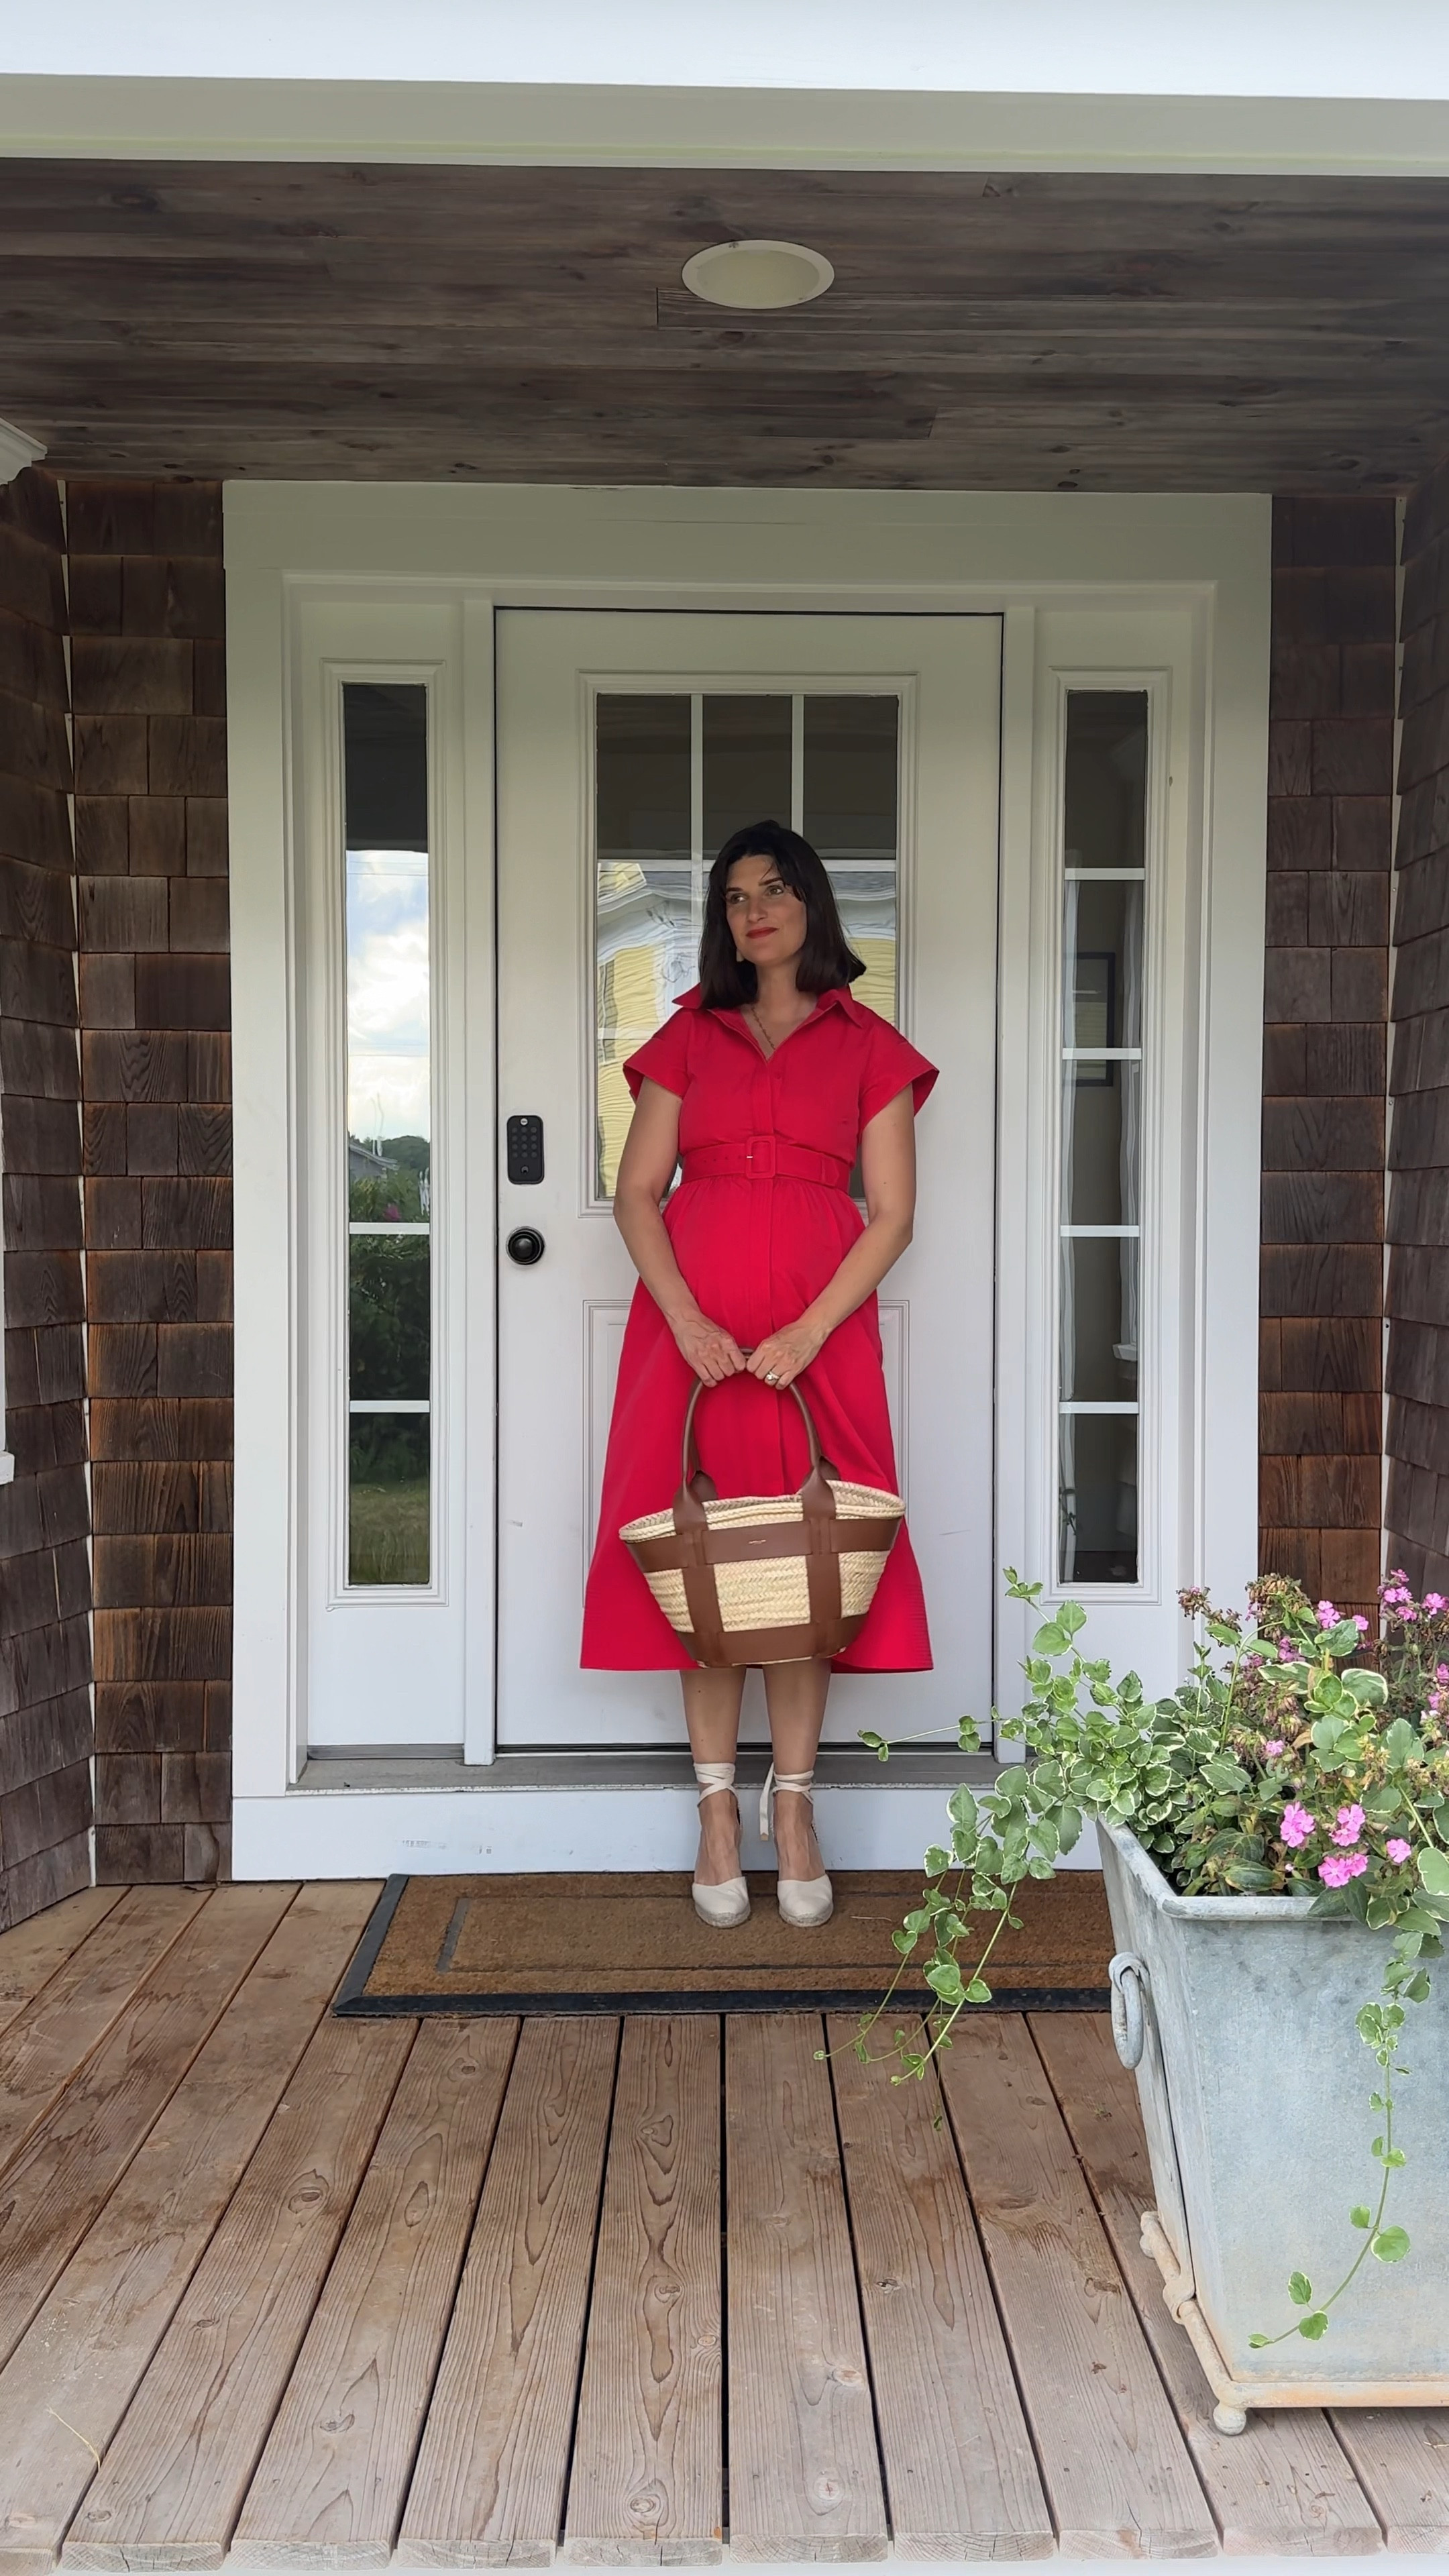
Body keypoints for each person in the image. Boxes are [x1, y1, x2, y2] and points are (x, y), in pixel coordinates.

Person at [581, 819, 936, 1929]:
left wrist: (806, 1334)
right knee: (704, 1569)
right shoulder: (687, 1039)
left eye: (774, 889)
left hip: (815, 1342)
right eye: (735, 897)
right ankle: (716, 1814)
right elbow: (640, 1192)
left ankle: (794, 1812)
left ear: (813, 904)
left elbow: (893, 1219)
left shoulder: (871, 1046)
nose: (753, 911)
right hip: (689, 1344)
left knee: (806, 1566)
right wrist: (686, 1320)